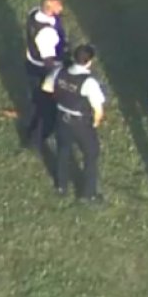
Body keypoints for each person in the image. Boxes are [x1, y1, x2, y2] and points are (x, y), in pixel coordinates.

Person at [49, 44, 106, 204]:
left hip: (61, 117)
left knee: (63, 150)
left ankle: (61, 185)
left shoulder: (59, 72)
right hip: (80, 123)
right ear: (89, 62)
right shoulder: (89, 82)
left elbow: (46, 87)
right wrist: (95, 123)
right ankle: (88, 194)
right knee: (90, 154)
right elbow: (98, 109)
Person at [23, 0, 67, 151]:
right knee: (47, 109)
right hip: (42, 69)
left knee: (39, 103)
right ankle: (38, 138)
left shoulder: (34, 13)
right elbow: (49, 60)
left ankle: (33, 130)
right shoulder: (46, 33)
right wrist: (60, 72)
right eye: (58, 6)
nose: (61, 7)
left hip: (31, 62)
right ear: (49, 9)